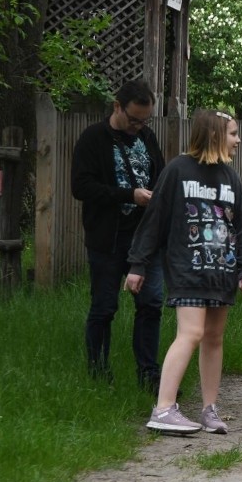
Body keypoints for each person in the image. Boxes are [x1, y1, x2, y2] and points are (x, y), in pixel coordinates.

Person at [126, 109, 242, 435]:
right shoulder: (178, 170)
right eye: (232, 133)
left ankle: (209, 410)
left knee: (214, 338)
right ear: (214, 135)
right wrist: (138, 264)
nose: (238, 139)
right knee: (191, 334)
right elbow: (154, 219)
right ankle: (163, 408)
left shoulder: (230, 178)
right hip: (188, 270)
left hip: (222, 273)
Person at [70, 80, 166, 391]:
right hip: (107, 240)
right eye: (133, 119)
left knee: (151, 303)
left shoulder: (147, 138)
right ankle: (98, 374)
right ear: (116, 107)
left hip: (144, 240)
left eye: (144, 120)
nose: (139, 126)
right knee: (104, 307)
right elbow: (81, 187)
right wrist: (129, 195)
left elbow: (161, 177)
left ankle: (149, 377)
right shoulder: (93, 139)